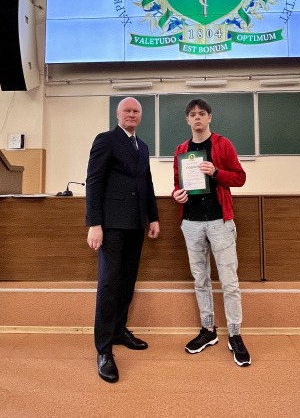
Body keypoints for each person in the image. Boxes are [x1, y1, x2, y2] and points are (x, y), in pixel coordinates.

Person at [172, 97, 251, 367]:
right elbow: (176, 185)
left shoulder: (223, 144)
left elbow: (239, 178)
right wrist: (176, 195)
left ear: (209, 118)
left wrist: (216, 172)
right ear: (187, 120)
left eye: (202, 113)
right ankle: (208, 330)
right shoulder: (181, 150)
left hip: (220, 222)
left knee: (229, 281)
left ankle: (235, 334)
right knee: (200, 280)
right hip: (191, 223)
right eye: (192, 114)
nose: (197, 117)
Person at [86, 96, 160, 383]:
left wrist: (153, 217)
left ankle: (118, 330)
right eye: (127, 110)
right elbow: (94, 181)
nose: (131, 114)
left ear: (140, 116)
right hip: (112, 225)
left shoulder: (143, 146)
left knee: (127, 281)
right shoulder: (106, 140)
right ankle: (104, 350)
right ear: (118, 114)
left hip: (136, 224)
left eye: (136, 111)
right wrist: (95, 223)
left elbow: (146, 183)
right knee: (109, 284)